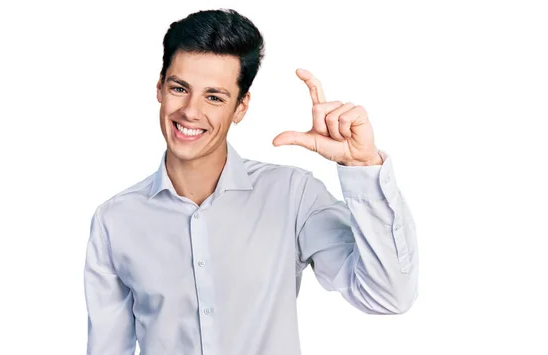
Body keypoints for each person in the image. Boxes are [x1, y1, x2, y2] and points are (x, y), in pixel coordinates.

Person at [83, 8, 419, 355]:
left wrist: (362, 165)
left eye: (214, 97)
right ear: (160, 89)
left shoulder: (292, 195)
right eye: (180, 88)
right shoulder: (115, 220)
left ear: (241, 107)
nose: (190, 111)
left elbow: (388, 295)